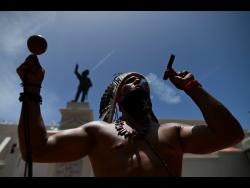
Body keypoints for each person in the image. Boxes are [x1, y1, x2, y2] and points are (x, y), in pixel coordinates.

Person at [16, 56, 244, 177]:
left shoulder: (172, 132)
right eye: (129, 81)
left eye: (141, 80)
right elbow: (35, 150)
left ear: (149, 99)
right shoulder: (97, 131)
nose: (137, 81)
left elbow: (231, 134)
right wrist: (32, 89)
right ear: (116, 98)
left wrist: (192, 87)